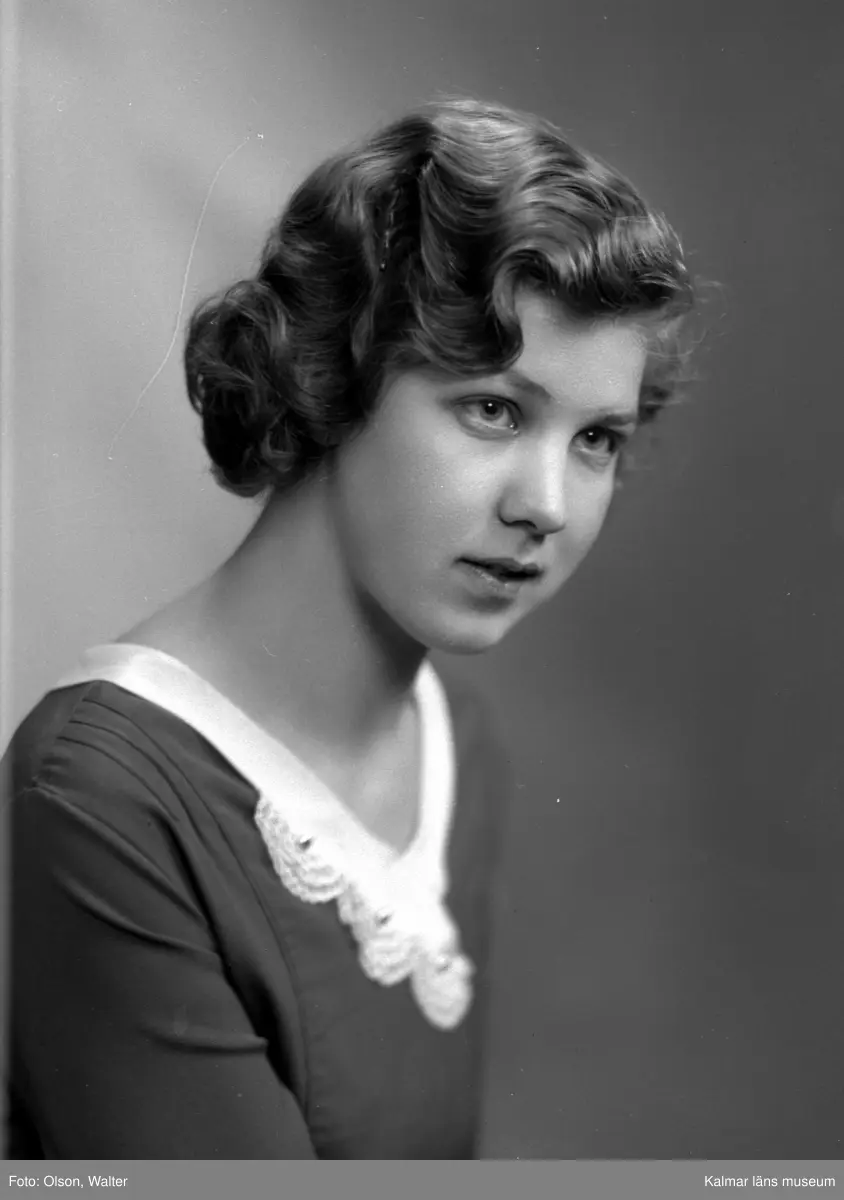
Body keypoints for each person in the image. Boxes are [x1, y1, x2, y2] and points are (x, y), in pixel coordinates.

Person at [4, 96, 695, 1159]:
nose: (547, 506)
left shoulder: (456, 751)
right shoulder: (96, 799)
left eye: (596, 439)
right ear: (336, 373)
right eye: (494, 409)